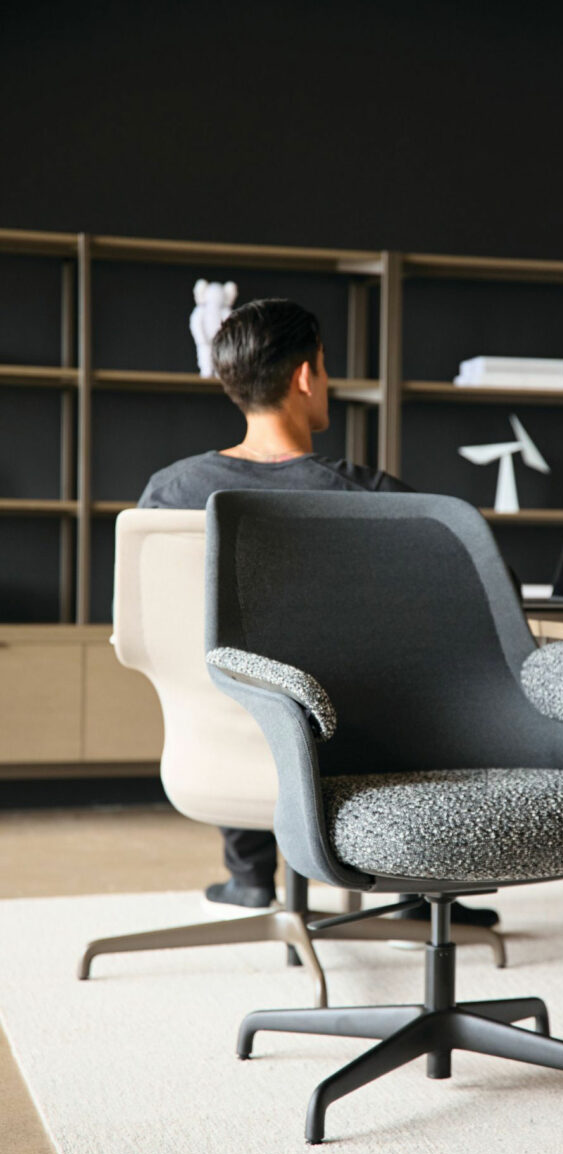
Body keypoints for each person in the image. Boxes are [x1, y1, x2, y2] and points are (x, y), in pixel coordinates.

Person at [138, 297, 498, 929]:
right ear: (306, 376)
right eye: (325, 367)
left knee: (227, 658)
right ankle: (415, 887)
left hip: (213, 743)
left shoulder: (169, 494)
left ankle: (249, 879)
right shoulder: (369, 495)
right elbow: (479, 588)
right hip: (339, 748)